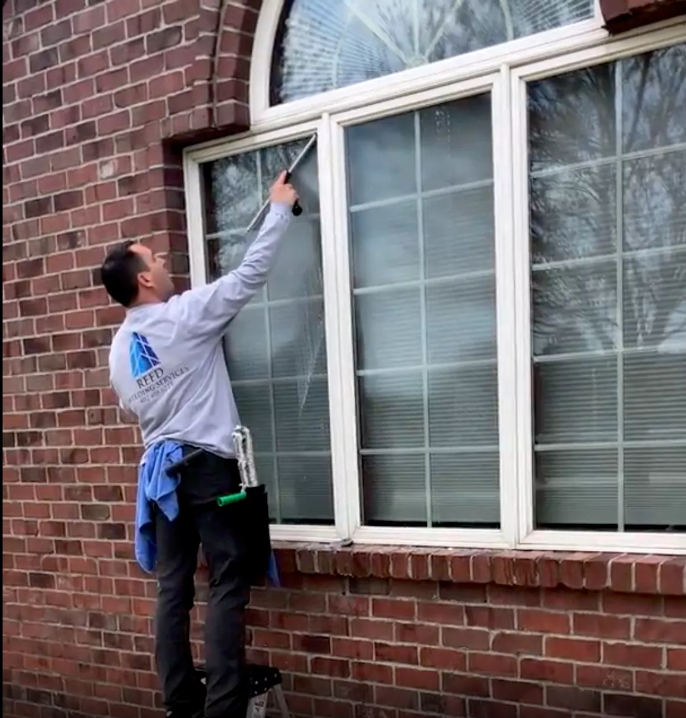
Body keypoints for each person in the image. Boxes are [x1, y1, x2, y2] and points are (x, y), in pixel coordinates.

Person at [101, 172, 298, 718]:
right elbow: (248, 274)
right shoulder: (183, 316)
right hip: (208, 469)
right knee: (229, 578)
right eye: (157, 261)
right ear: (143, 280)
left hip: (161, 475)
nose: (165, 266)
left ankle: (182, 701)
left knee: (173, 587)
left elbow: (133, 405)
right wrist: (279, 208)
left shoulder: (119, 352)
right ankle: (224, 709)